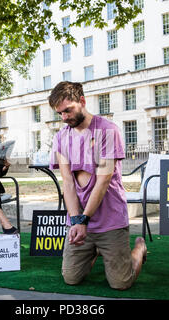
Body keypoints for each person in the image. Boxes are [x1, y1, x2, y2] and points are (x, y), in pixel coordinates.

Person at [49, 81, 147, 290]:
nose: (65, 117)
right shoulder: (60, 137)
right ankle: (94, 250)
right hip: (80, 222)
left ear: (82, 101)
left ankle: (140, 248)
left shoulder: (107, 130)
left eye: (68, 110)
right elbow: (67, 182)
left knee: (121, 283)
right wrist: (76, 221)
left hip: (110, 220)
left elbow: (103, 181)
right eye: (60, 113)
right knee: (71, 278)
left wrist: (84, 219)